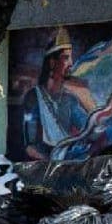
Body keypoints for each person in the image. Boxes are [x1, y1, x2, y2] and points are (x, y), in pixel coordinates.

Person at [21, 27, 94, 160]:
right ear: (53, 62)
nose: (71, 63)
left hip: (67, 163)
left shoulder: (70, 99)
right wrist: (52, 164)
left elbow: (89, 130)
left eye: (70, 58)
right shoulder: (34, 97)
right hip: (45, 166)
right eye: (66, 58)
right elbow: (30, 147)